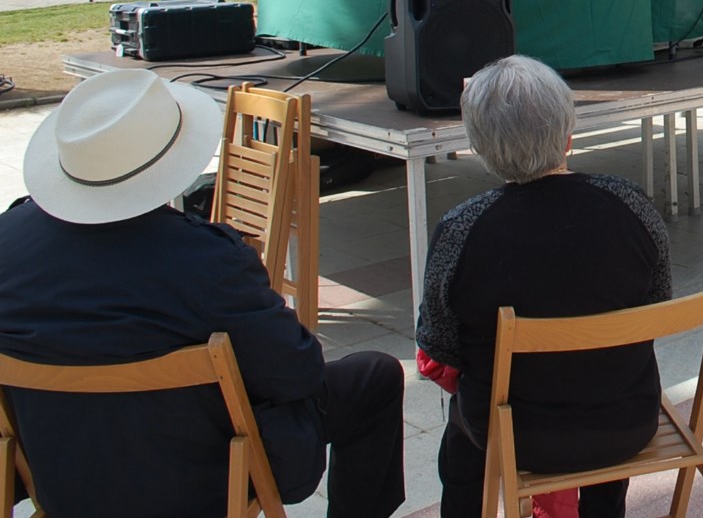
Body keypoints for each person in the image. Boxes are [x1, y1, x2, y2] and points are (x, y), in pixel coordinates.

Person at [0, 68, 405, 518]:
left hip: (58, 479)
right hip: (204, 484)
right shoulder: (208, 260)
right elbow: (296, 372)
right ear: (169, 162)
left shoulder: (7, 243)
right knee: (374, 376)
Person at [417, 55, 672, 518]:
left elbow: (440, 345)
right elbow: (657, 303)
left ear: (480, 146)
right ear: (567, 132)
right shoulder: (633, 205)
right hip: (625, 421)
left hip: (510, 434)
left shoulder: (461, 229)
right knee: (601, 380)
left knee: (460, 432)